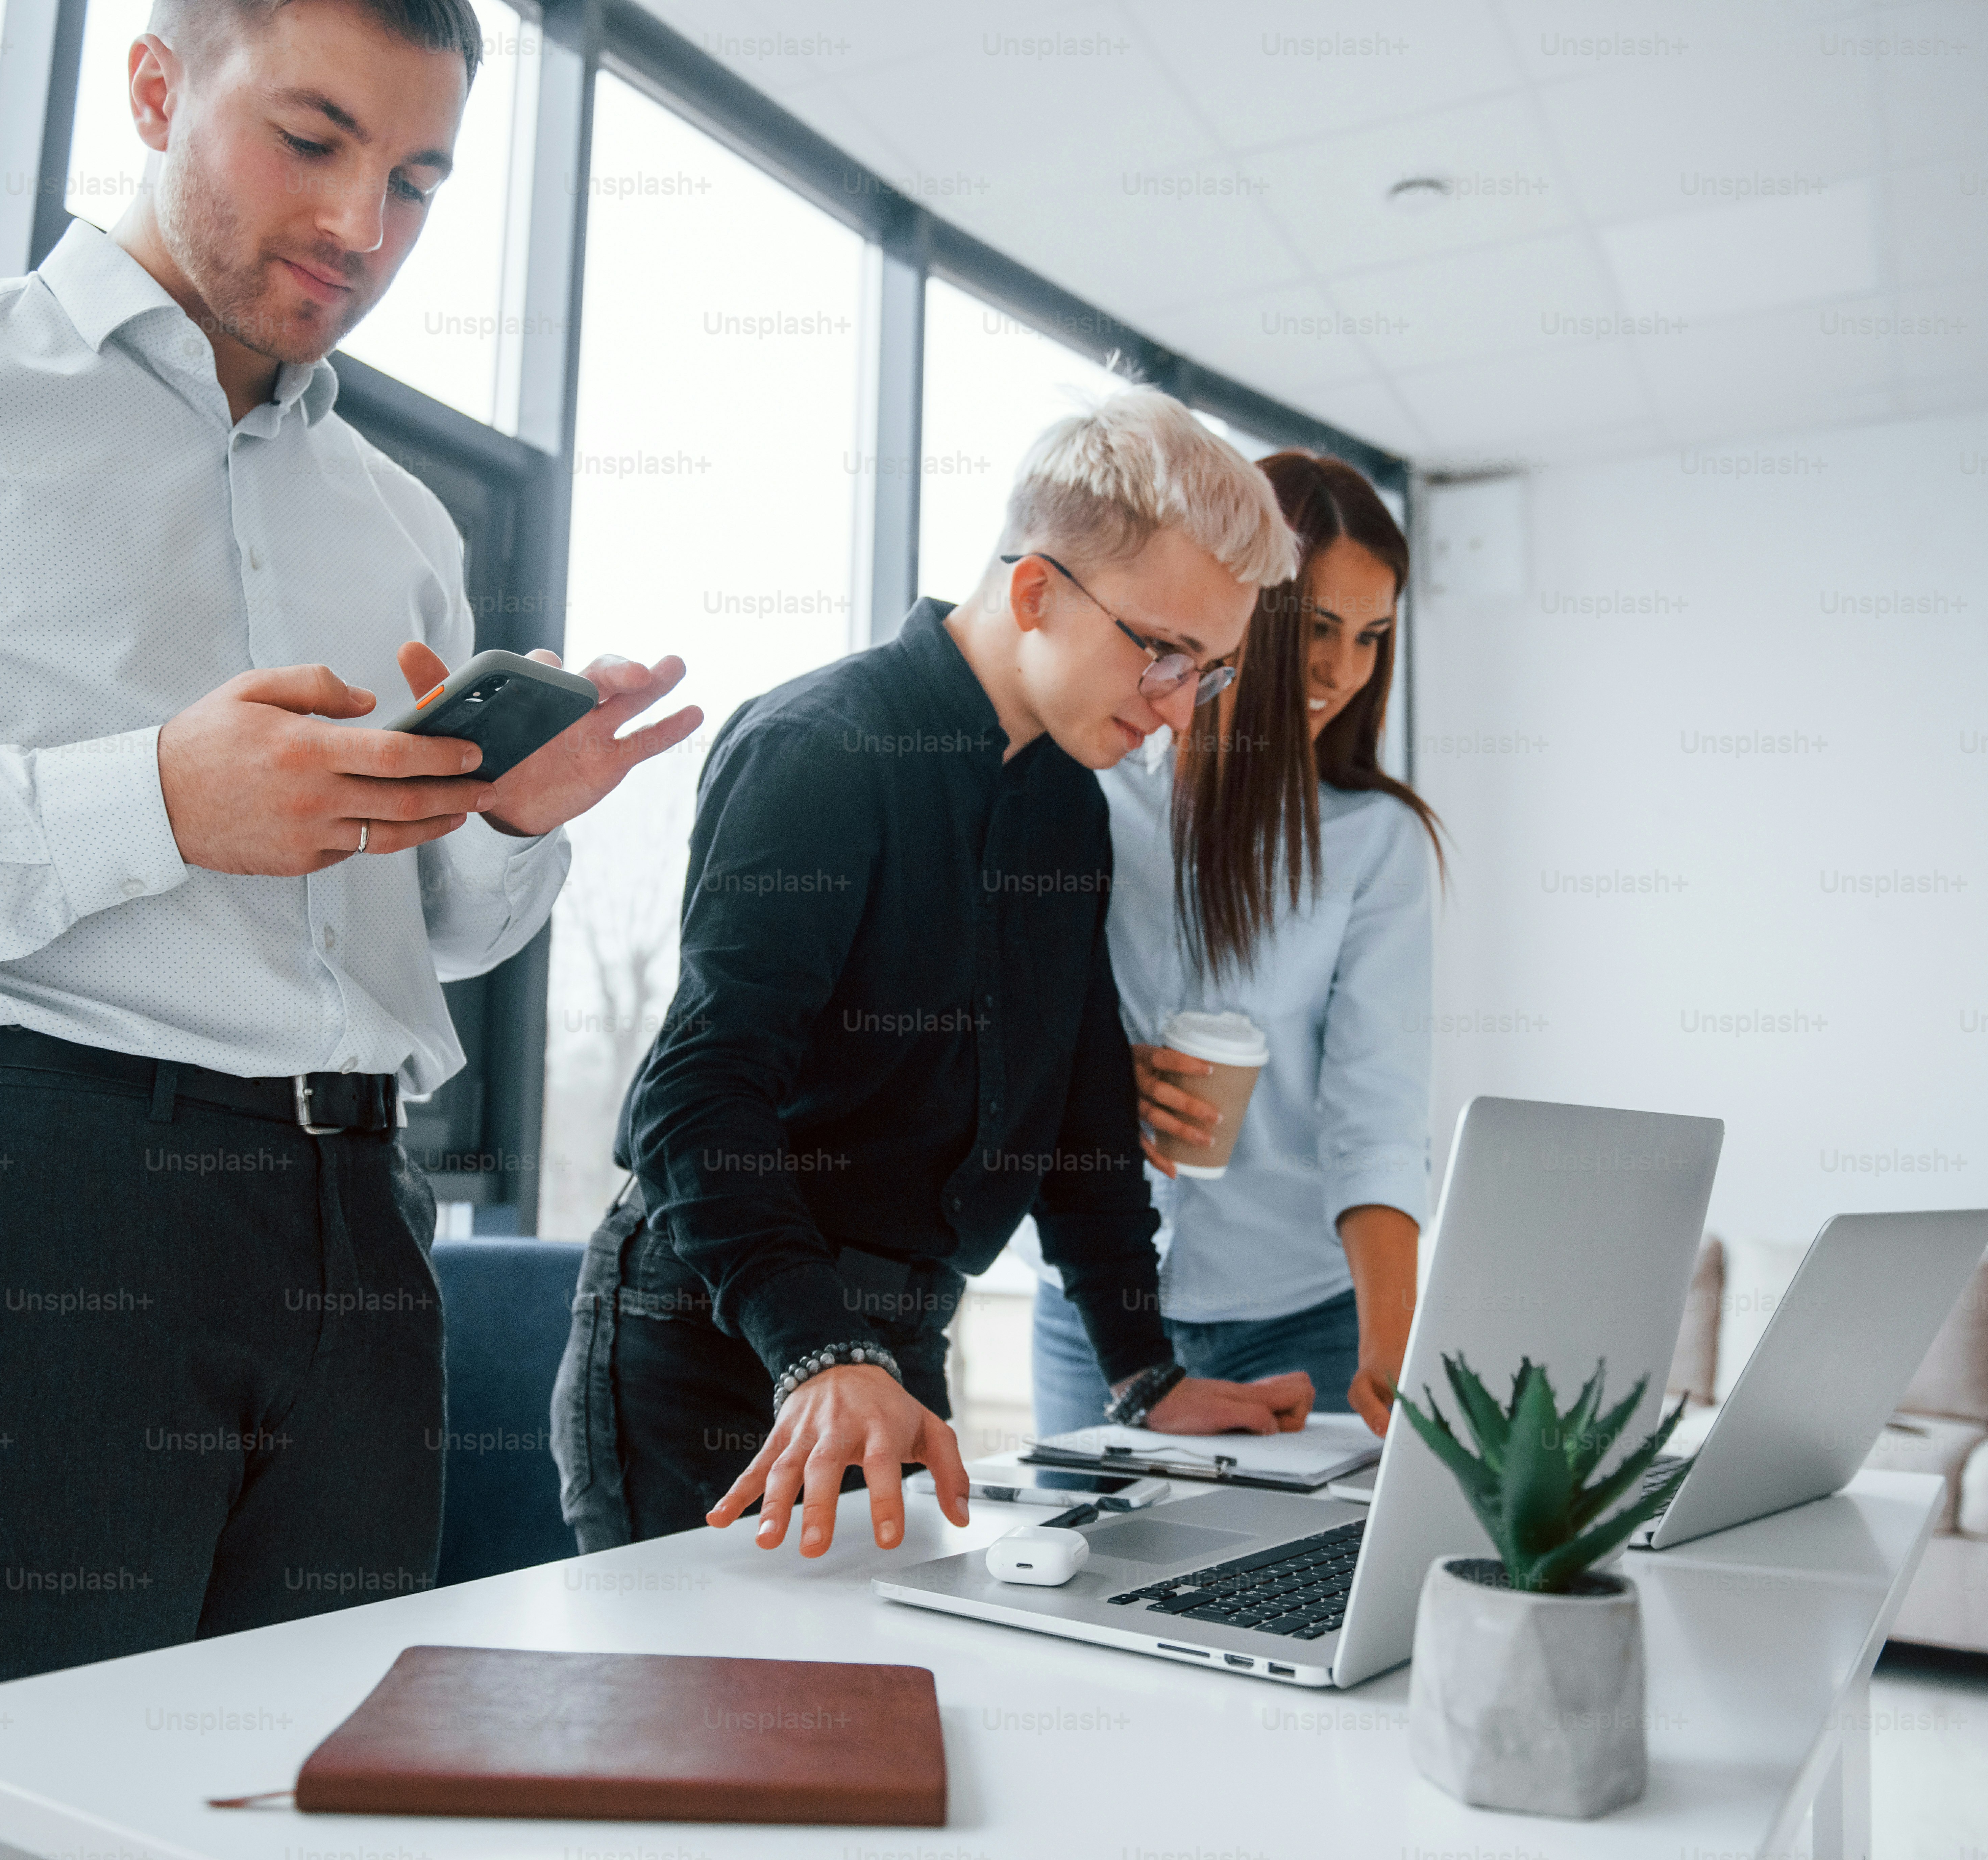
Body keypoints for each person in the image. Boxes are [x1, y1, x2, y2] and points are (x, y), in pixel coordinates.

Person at [0, 5, 693, 1857]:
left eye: (415, 180)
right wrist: (152, 801)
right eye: (312, 139)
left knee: (292, 1819)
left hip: (357, 1233)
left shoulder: (399, 519)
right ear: (158, 88)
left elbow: (430, 941)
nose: (365, 224)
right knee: (12, 1829)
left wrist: (504, 826)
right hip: (35, 1207)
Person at [553, 389, 1318, 1559]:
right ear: (1036, 591)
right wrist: (819, 1346)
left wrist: (1143, 1371)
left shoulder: (1067, 805)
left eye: (1203, 673)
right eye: (1163, 653)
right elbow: (696, 1097)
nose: (1176, 711)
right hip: (719, 1330)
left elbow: (1079, 1104)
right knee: (709, 1724)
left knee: (880, 1706)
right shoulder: (823, 748)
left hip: (895, 1339)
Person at [1024, 452, 1444, 1440]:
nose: (1342, 672)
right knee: (1078, 1591)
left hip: (1298, 1320)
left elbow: (1375, 1112)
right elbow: (1007, 1024)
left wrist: (1395, 1333)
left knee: (1282, 1591)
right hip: (1092, 1317)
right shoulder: (1094, 788)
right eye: (1316, 628)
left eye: (1372, 638)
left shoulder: (1373, 841)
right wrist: (1094, 1087)